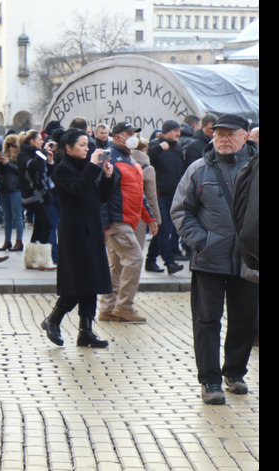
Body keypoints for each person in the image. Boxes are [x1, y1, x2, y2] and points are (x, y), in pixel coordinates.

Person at [171, 113, 259, 405]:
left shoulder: (257, 169)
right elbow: (182, 211)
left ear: (245, 136)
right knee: (207, 321)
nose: (223, 139)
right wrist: (201, 242)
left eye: (230, 134)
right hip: (209, 259)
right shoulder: (198, 169)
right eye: (219, 134)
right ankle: (209, 381)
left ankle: (234, 373)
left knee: (245, 320)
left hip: (249, 260)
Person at [41, 129, 114, 348]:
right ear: (69, 147)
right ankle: (53, 319)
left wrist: (108, 177)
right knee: (78, 281)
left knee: (91, 281)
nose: (87, 148)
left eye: (87, 144)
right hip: (74, 232)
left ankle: (86, 331)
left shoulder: (85, 166)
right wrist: (93, 166)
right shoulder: (63, 169)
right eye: (82, 145)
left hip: (91, 228)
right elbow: (78, 190)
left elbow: (101, 197)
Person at [99, 123, 158, 323]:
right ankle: (124, 307)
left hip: (126, 220)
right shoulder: (110, 159)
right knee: (135, 259)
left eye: (134, 134)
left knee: (115, 266)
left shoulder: (130, 159)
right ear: (116, 137)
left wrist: (149, 217)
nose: (133, 137)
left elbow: (137, 193)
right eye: (128, 134)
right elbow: (103, 195)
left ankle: (108, 308)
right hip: (118, 221)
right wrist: (105, 225)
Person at [146, 120, 187, 274]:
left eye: (179, 130)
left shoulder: (178, 148)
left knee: (163, 229)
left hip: (174, 195)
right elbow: (146, 161)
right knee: (164, 229)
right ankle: (169, 262)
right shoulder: (156, 146)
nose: (178, 133)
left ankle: (150, 260)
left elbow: (181, 170)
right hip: (159, 195)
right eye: (175, 130)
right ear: (166, 131)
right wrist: (157, 149)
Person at [17, 130, 57, 270]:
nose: (42, 141)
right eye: (40, 139)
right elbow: (32, 168)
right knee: (47, 225)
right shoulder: (23, 155)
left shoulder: (37, 153)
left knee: (39, 227)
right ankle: (44, 260)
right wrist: (42, 154)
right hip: (32, 196)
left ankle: (31, 259)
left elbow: (47, 173)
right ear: (32, 141)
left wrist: (50, 161)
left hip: (43, 194)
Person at [0, 134, 24, 252]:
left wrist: (8, 163)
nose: (11, 148)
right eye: (9, 146)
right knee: (7, 217)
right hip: (5, 189)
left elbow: (20, 172)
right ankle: (7, 241)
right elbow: (2, 174)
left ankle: (19, 240)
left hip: (16, 190)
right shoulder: (5, 157)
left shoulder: (20, 158)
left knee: (17, 216)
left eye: (13, 146)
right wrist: (0, 165)